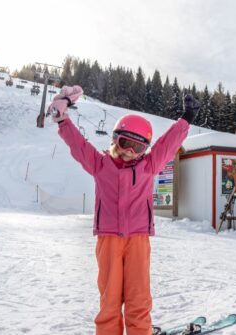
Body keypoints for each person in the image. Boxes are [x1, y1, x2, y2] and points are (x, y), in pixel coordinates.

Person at [51, 85, 197, 335]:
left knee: (138, 298)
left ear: (145, 150)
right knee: (109, 299)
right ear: (115, 140)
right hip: (108, 239)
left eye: (137, 148)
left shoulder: (149, 166)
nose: (130, 151)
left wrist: (186, 119)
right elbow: (78, 145)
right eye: (125, 143)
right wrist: (62, 118)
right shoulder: (100, 164)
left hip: (138, 239)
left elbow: (167, 144)